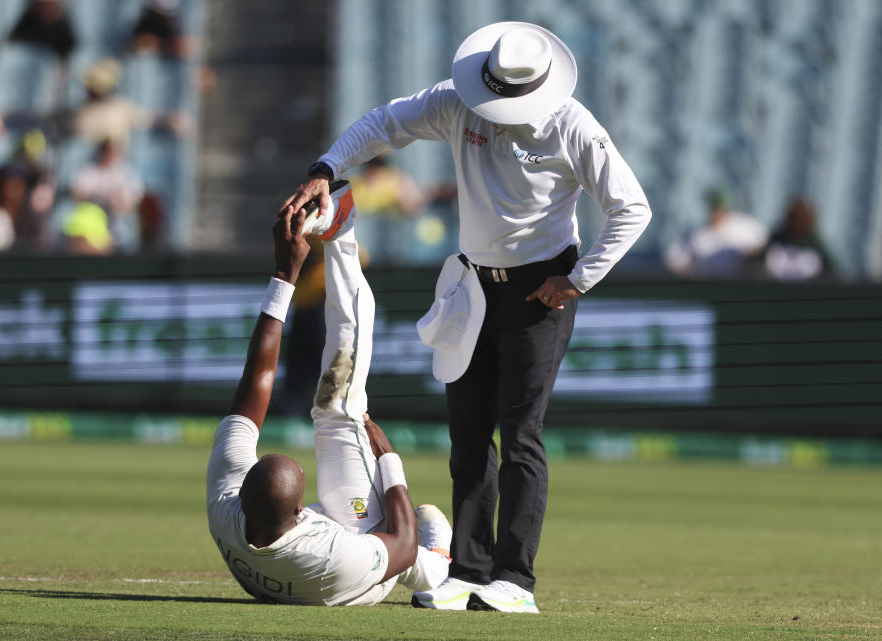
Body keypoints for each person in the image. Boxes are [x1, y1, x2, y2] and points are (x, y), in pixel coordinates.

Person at [279, 23, 651, 613]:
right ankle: (471, 570)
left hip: (540, 292)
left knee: (521, 433)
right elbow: (383, 122)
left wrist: (577, 279)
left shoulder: (573, 124)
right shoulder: (459, 102)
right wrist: (326, 169)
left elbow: (631, 207)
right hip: (473, 285)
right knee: (469, 433)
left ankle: (515, 581)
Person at [207, 183, 452, 606]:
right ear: (303, 512)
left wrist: (284, 275)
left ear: (241, 496)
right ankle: (343, 228)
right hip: (359, 576)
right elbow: (401, 544)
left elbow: (254, 386)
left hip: (301, 560)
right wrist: (389, 460)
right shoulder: (336, 555)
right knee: (339, 408)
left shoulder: (226, 507)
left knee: (333, 424)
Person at [664, 188, 767, 278]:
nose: (716, 212)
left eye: (720, 208)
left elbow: (764, 250)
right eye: (714, 208)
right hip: (705, 290)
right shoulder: (697, 234)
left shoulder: (747, 228)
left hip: (740, 287)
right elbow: (675, 260)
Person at [760, 197, 834, 281]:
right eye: (796, 217)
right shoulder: (776, 240)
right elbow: (757, 266)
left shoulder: (816, 245)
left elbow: (832, 274)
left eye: (803, 218)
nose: (799, 221)